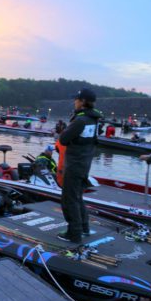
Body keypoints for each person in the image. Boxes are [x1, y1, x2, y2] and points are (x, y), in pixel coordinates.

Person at [57, 88, 102, 243]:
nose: (74, 102)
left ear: (82, 102)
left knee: (69, 199)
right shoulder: (94, 119)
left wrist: (64, 131)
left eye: (76, 99)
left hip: (74, 165)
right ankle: (84, 228)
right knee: (77, 197)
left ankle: (73, 234)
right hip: (85, 164)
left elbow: (63, 140)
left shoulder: (80, 120)